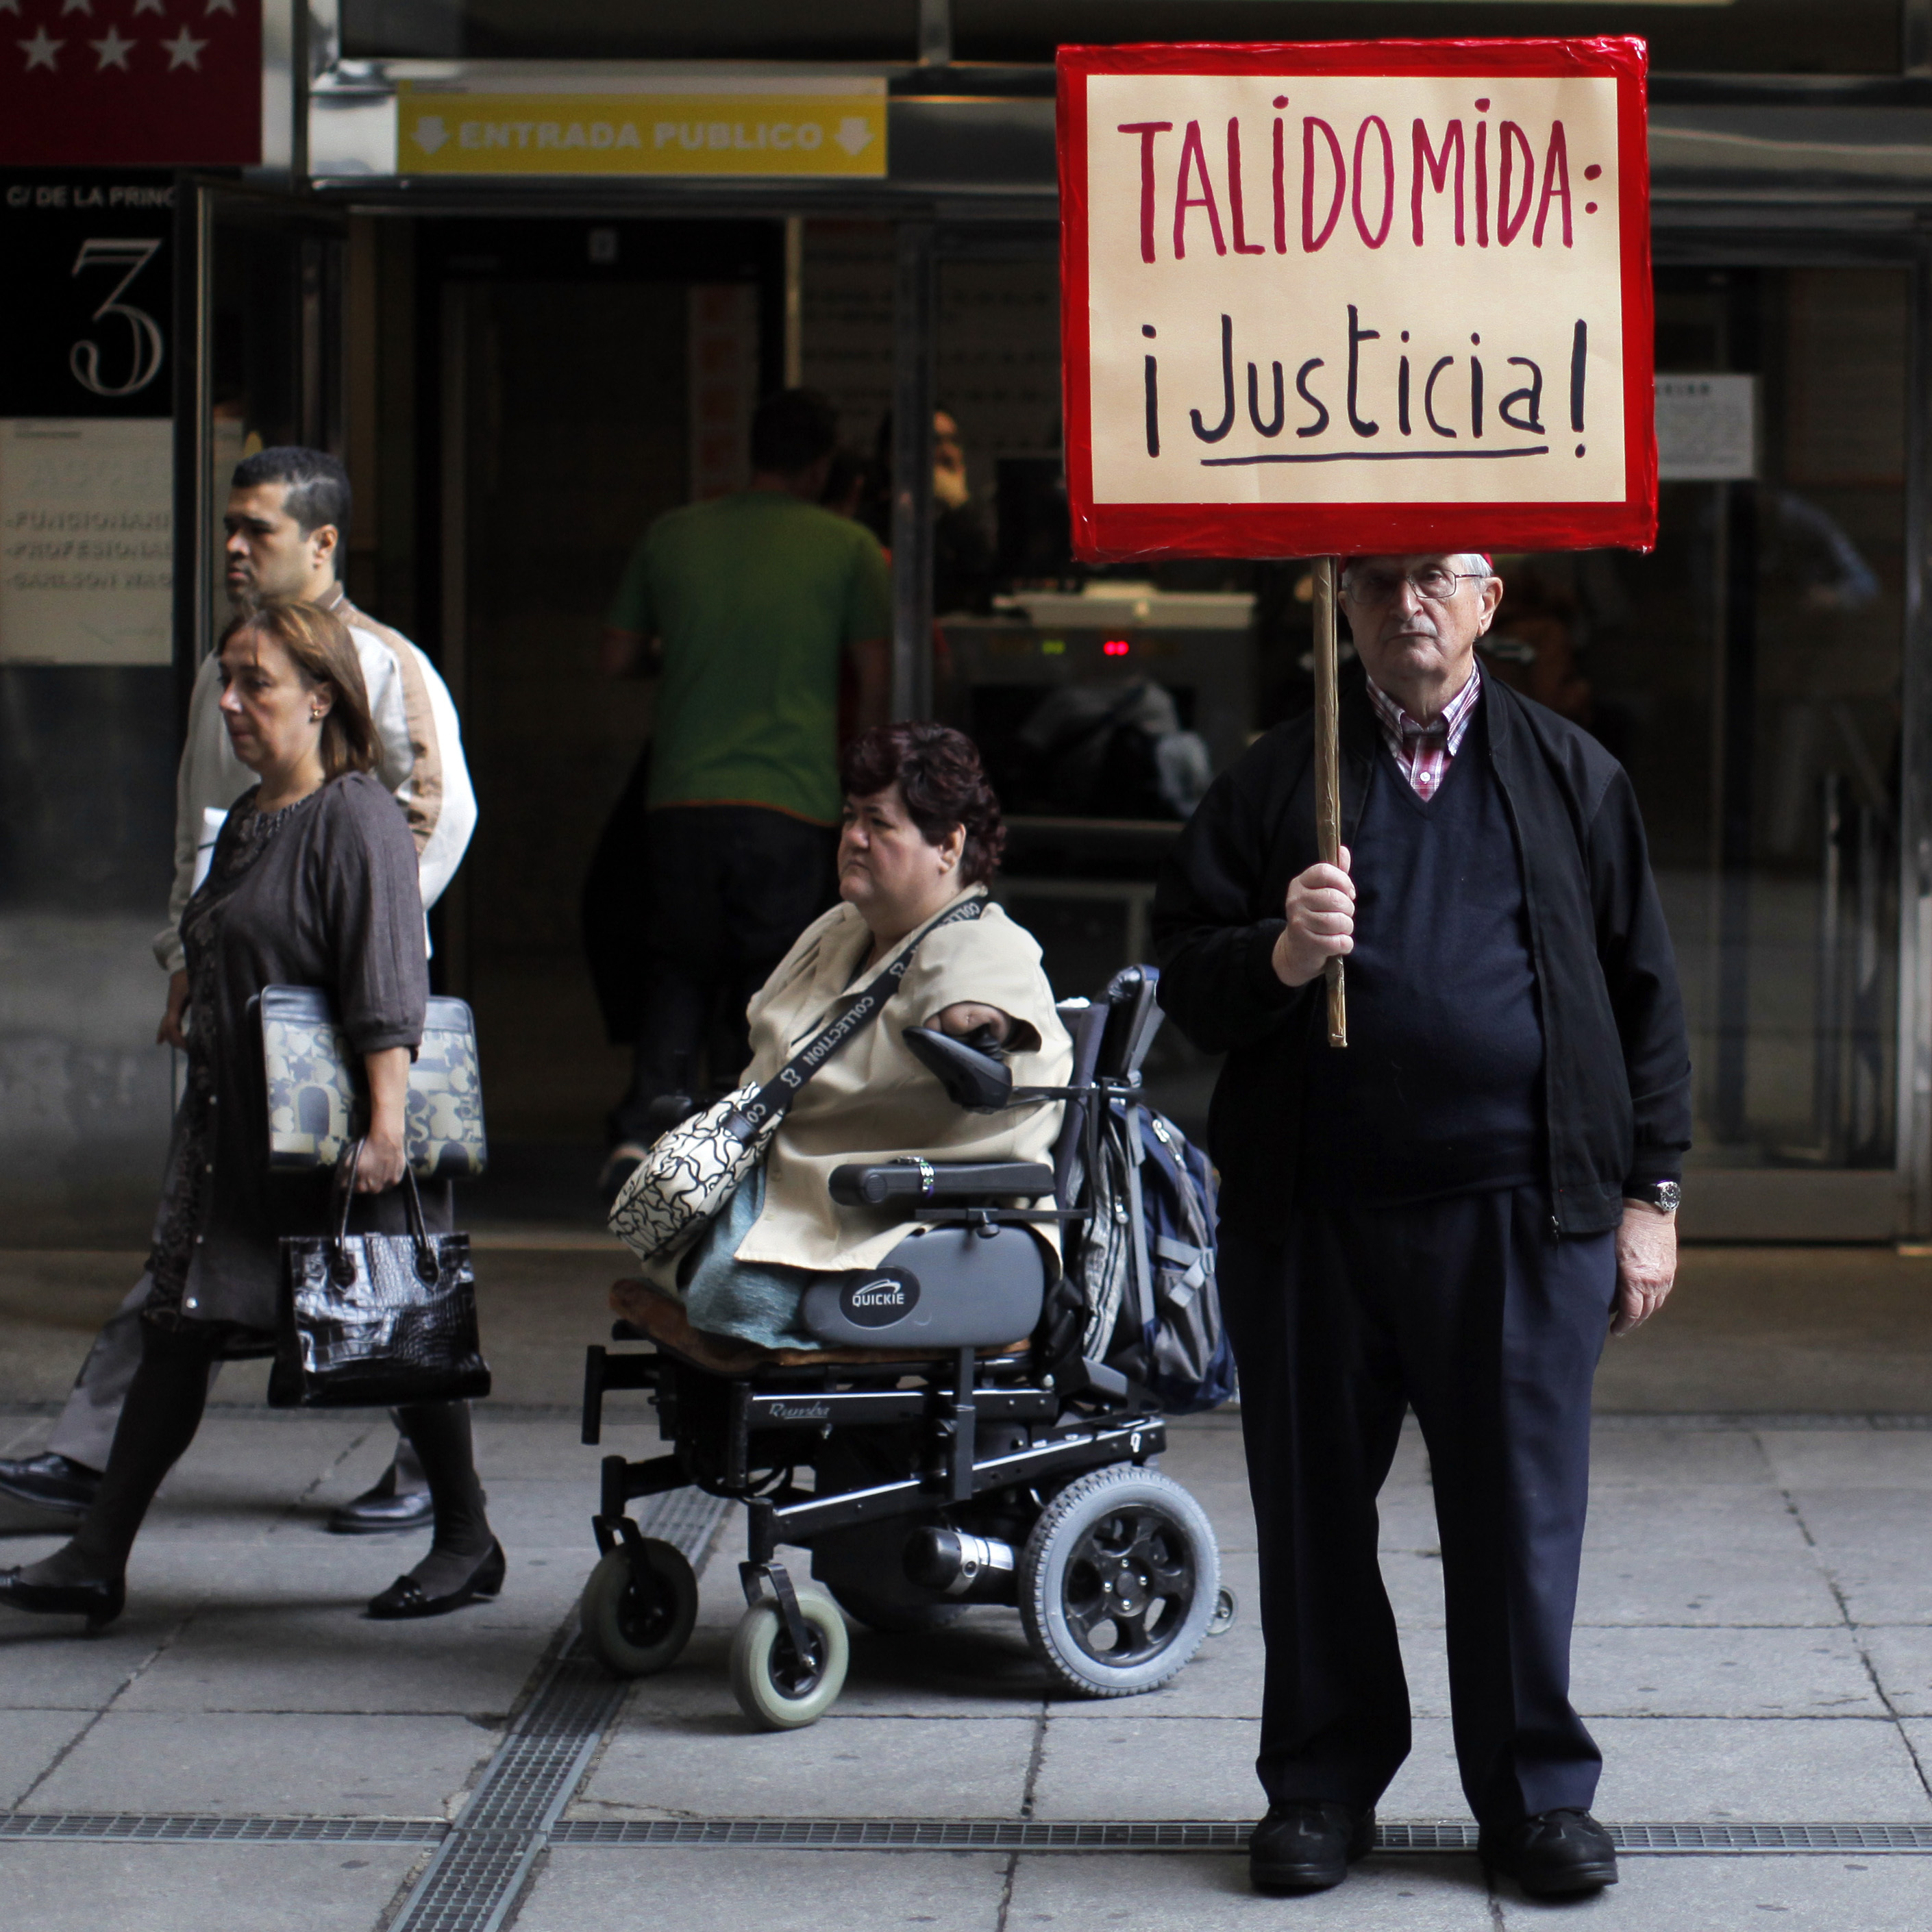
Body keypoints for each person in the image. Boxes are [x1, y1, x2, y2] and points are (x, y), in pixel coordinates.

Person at [1152, 553, 1691, 1900]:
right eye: (1380, 579)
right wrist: (1280, 954)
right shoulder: (1280, 780)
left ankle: (1534, 1800)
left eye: (1439, 578)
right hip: (1316, 1214)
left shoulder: (1572, 777)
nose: (1411, 604)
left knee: (1516, 1517)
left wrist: (1651, 1195)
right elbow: (1188, 977)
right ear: (1339, 605)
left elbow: (1644, 995)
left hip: (1519, 1211)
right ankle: (1323, 1786)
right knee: (1315, 1513)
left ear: (1489, 602)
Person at [0, 448, 476, 1539]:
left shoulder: (380, 663)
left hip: (333, 1021)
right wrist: (187, 953)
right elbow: (197, 827)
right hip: (239, 1007)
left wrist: (334, 929)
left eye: (256, 529)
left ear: (321, 545)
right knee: (207, 1261)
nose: (233, 547)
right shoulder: (228, 666)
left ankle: (442, 1490)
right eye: (230, 526)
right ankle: (97, 1473)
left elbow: (435, 818)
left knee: (362, 1253)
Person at [618, 723, 1070, 1348]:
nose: (853, 838)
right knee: (679, 1264)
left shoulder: (981, 941)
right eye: (851, 817)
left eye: (880, 824)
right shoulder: (840, 929)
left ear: (948, 845)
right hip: (786, 1189)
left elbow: (983, 1000)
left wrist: (977, 1024)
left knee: (729, 1293)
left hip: (877, 1216)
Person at [597, 388, 891, 1200]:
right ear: (824, 463)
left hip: (681, 795)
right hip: (791, 800)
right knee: (775, 979)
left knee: (676, 967)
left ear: (749, 453)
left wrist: (682, 654)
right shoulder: (850, 548)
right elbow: (876, 678)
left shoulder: (675, 535)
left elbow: (617, 657)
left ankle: (640, 1134)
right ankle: (744, 1138)